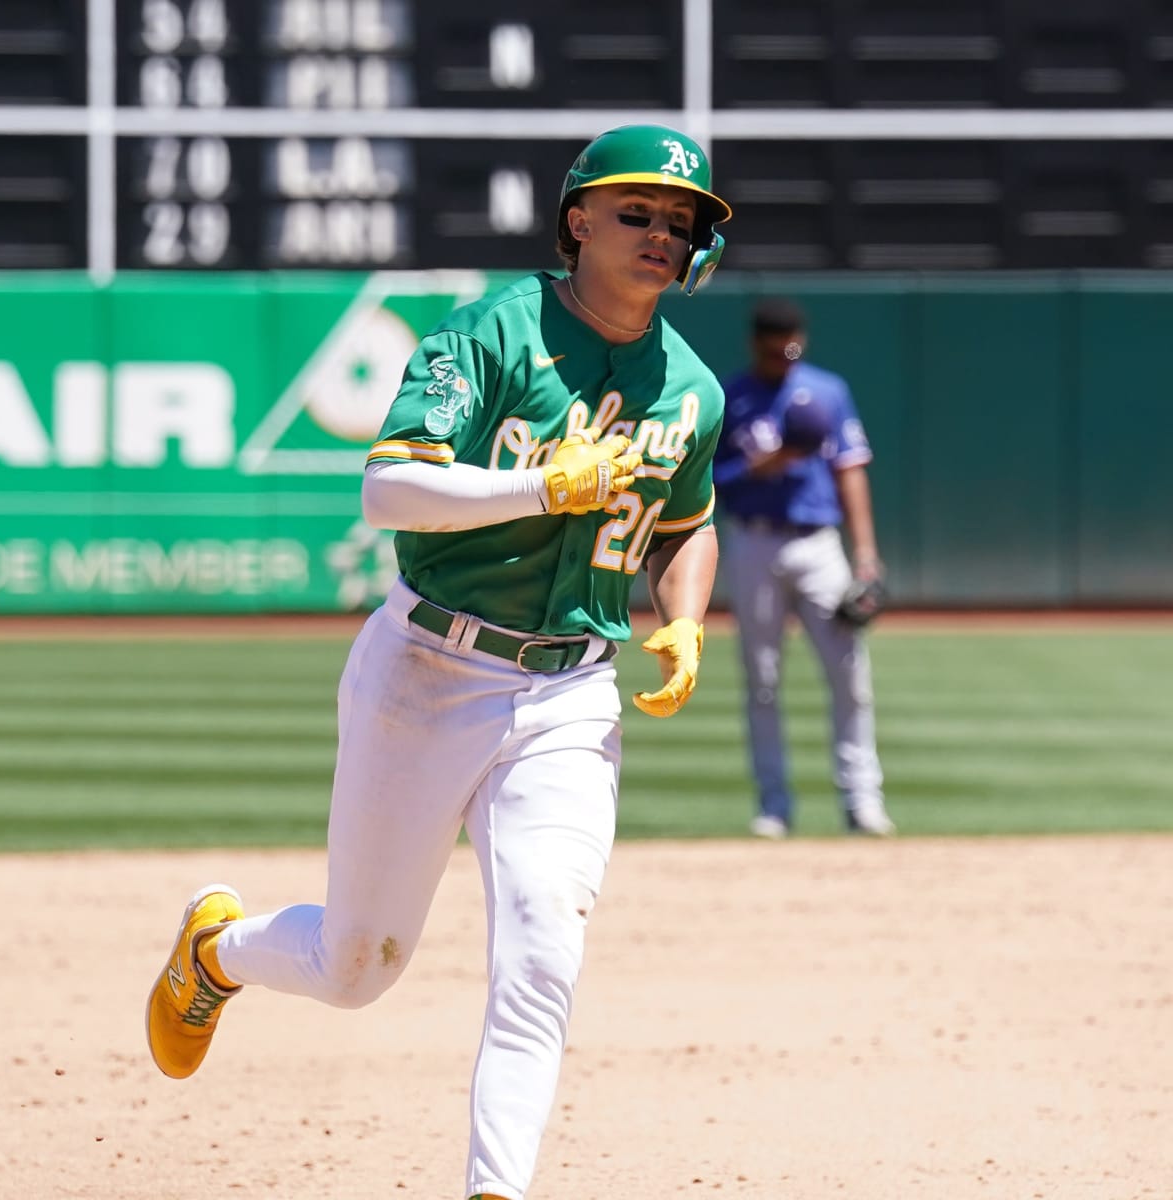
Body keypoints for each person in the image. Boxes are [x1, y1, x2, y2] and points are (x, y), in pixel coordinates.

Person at [145, 124, 732, 1200]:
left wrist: (686, 613)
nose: (661, 233)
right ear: (577, 221)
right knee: (356, 966)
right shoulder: (495, 332)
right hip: (428, 668)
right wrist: (540, 489)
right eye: (637, 211)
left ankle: (495, 1190)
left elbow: (688, 521)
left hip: (568, 690)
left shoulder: (691, 387)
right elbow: (388, 491)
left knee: (545, 950)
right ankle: (217, 953)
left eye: (680, 221)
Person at [713, 297, 895, 839]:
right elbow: (707, 481)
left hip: (819, 544)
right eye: (773, 349)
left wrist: (865, 553)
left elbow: (851, 469)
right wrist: (758, 467)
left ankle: (862, 802)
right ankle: (775, 806)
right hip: (754, 541)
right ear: (756, 345)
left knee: (850, 675)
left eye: (790, 347)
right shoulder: (730, 395)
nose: (783, 357)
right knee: (763, 680)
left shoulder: (828, 391)